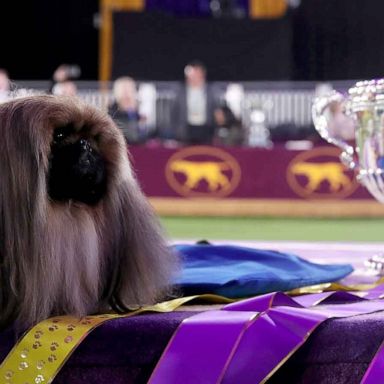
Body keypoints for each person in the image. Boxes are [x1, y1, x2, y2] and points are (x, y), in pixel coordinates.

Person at [180, 60, 216, 144]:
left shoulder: (211, 90)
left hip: (205, 128)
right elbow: (174, 112)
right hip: (187, 129)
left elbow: (215, 109)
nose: (193, 76)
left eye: (196, 73)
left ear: (202, 74)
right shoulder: (181, 91)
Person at [108, 76, 147, 144]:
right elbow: (132, 137)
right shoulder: (113, 114)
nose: (127, 94)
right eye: (124, 91)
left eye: (130, 90)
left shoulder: (138, 113)